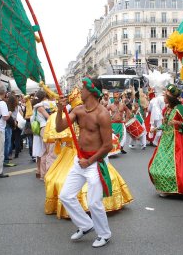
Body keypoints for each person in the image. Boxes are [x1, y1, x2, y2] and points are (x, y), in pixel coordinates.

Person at [56, 78, 113, 248]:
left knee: (94, 202)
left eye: (82, 89)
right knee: (65, 195)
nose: (79, 91)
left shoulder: (102, 114)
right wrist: (60, 110)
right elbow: (59, 128)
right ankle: (86, 225)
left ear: (91, 91)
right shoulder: (78, 110)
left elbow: (108, 145)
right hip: (79, 161)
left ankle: (104, 234)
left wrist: (89, 161)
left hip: (94, 162)